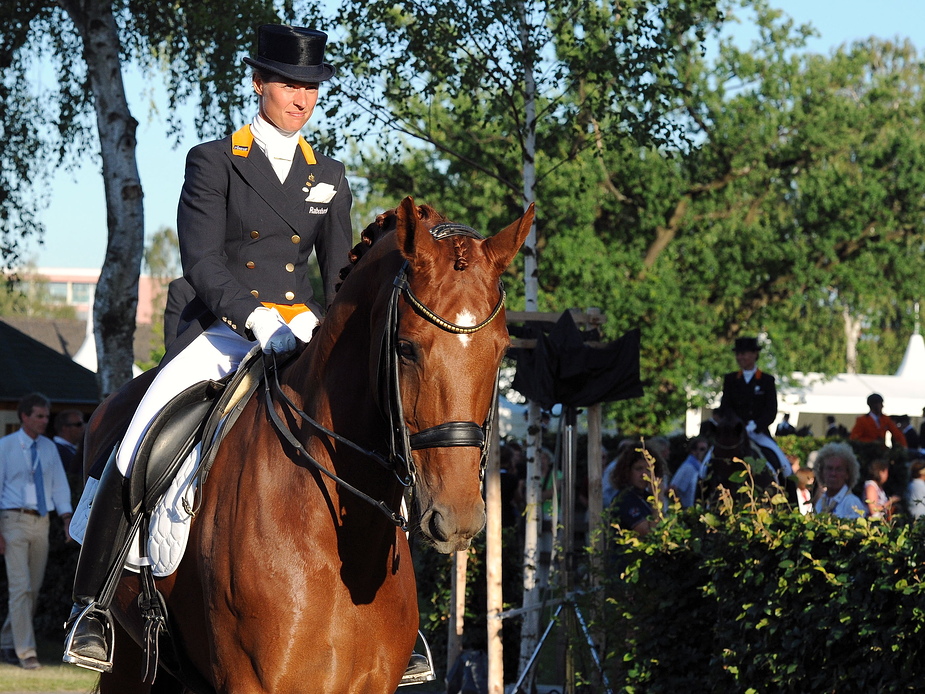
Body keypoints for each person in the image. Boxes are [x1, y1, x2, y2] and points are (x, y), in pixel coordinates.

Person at [64, 24, 354, 672]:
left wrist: (324, 327)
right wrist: (255, 320)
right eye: (287, 84)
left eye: (309, 87)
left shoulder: (328, 175)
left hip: (302, 330)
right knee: (141, 427)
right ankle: (92, 603)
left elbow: (340, 275)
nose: (299, 98)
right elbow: (201, 258)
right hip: (224, 329)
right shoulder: (214, 158)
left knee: (366, 429)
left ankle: (393, 612)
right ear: (258, 84)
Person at [0, 393, 73, 670]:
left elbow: (58, 487)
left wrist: (66, 518)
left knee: (33, 588)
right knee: (21, 588)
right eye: (40, 416)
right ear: (24, 416)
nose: (45, 421)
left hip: (41, 522)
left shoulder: (49, 448)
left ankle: (7, 642)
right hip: (12, 521)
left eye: (46, 416)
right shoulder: (5, 446)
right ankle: (26, 652)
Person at [719, 337, 792, 477]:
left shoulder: (766, 381)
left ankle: (789, 497)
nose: (740, 357)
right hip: (734, 434)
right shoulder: (730, 379)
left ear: (754, 354)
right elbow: (725, 407)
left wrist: (755, 425)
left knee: (785, 468)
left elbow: (770, 411)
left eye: (744, 353)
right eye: (738, 354)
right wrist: (737, 424)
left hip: (758, 433)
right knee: (705, 467)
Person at [608, 443, 667, 536]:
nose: (644, 475)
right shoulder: (625, 499)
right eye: (638, 469)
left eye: (648, 469)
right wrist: (658, 498)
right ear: (627, 471)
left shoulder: (645, 497)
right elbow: (650, 534)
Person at [813, 442, 866, 519]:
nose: (833, 473)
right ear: (821, 472)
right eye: (829, 468)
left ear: (848, 474)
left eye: (839, 469)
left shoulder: (852, 503)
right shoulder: (821, 502)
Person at [668, 436, 708, 508]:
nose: (705, 452)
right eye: (702, 449)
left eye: (706, 449)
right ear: (693, 451)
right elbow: (673, 488)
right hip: (688, 511)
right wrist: (681, 509)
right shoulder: (688, 467)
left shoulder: (700, 467)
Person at [52, 410, 85, 477]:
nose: (83, 428)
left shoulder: (73, 449)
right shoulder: (55, 450)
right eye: (79, 424)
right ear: (65, 428)